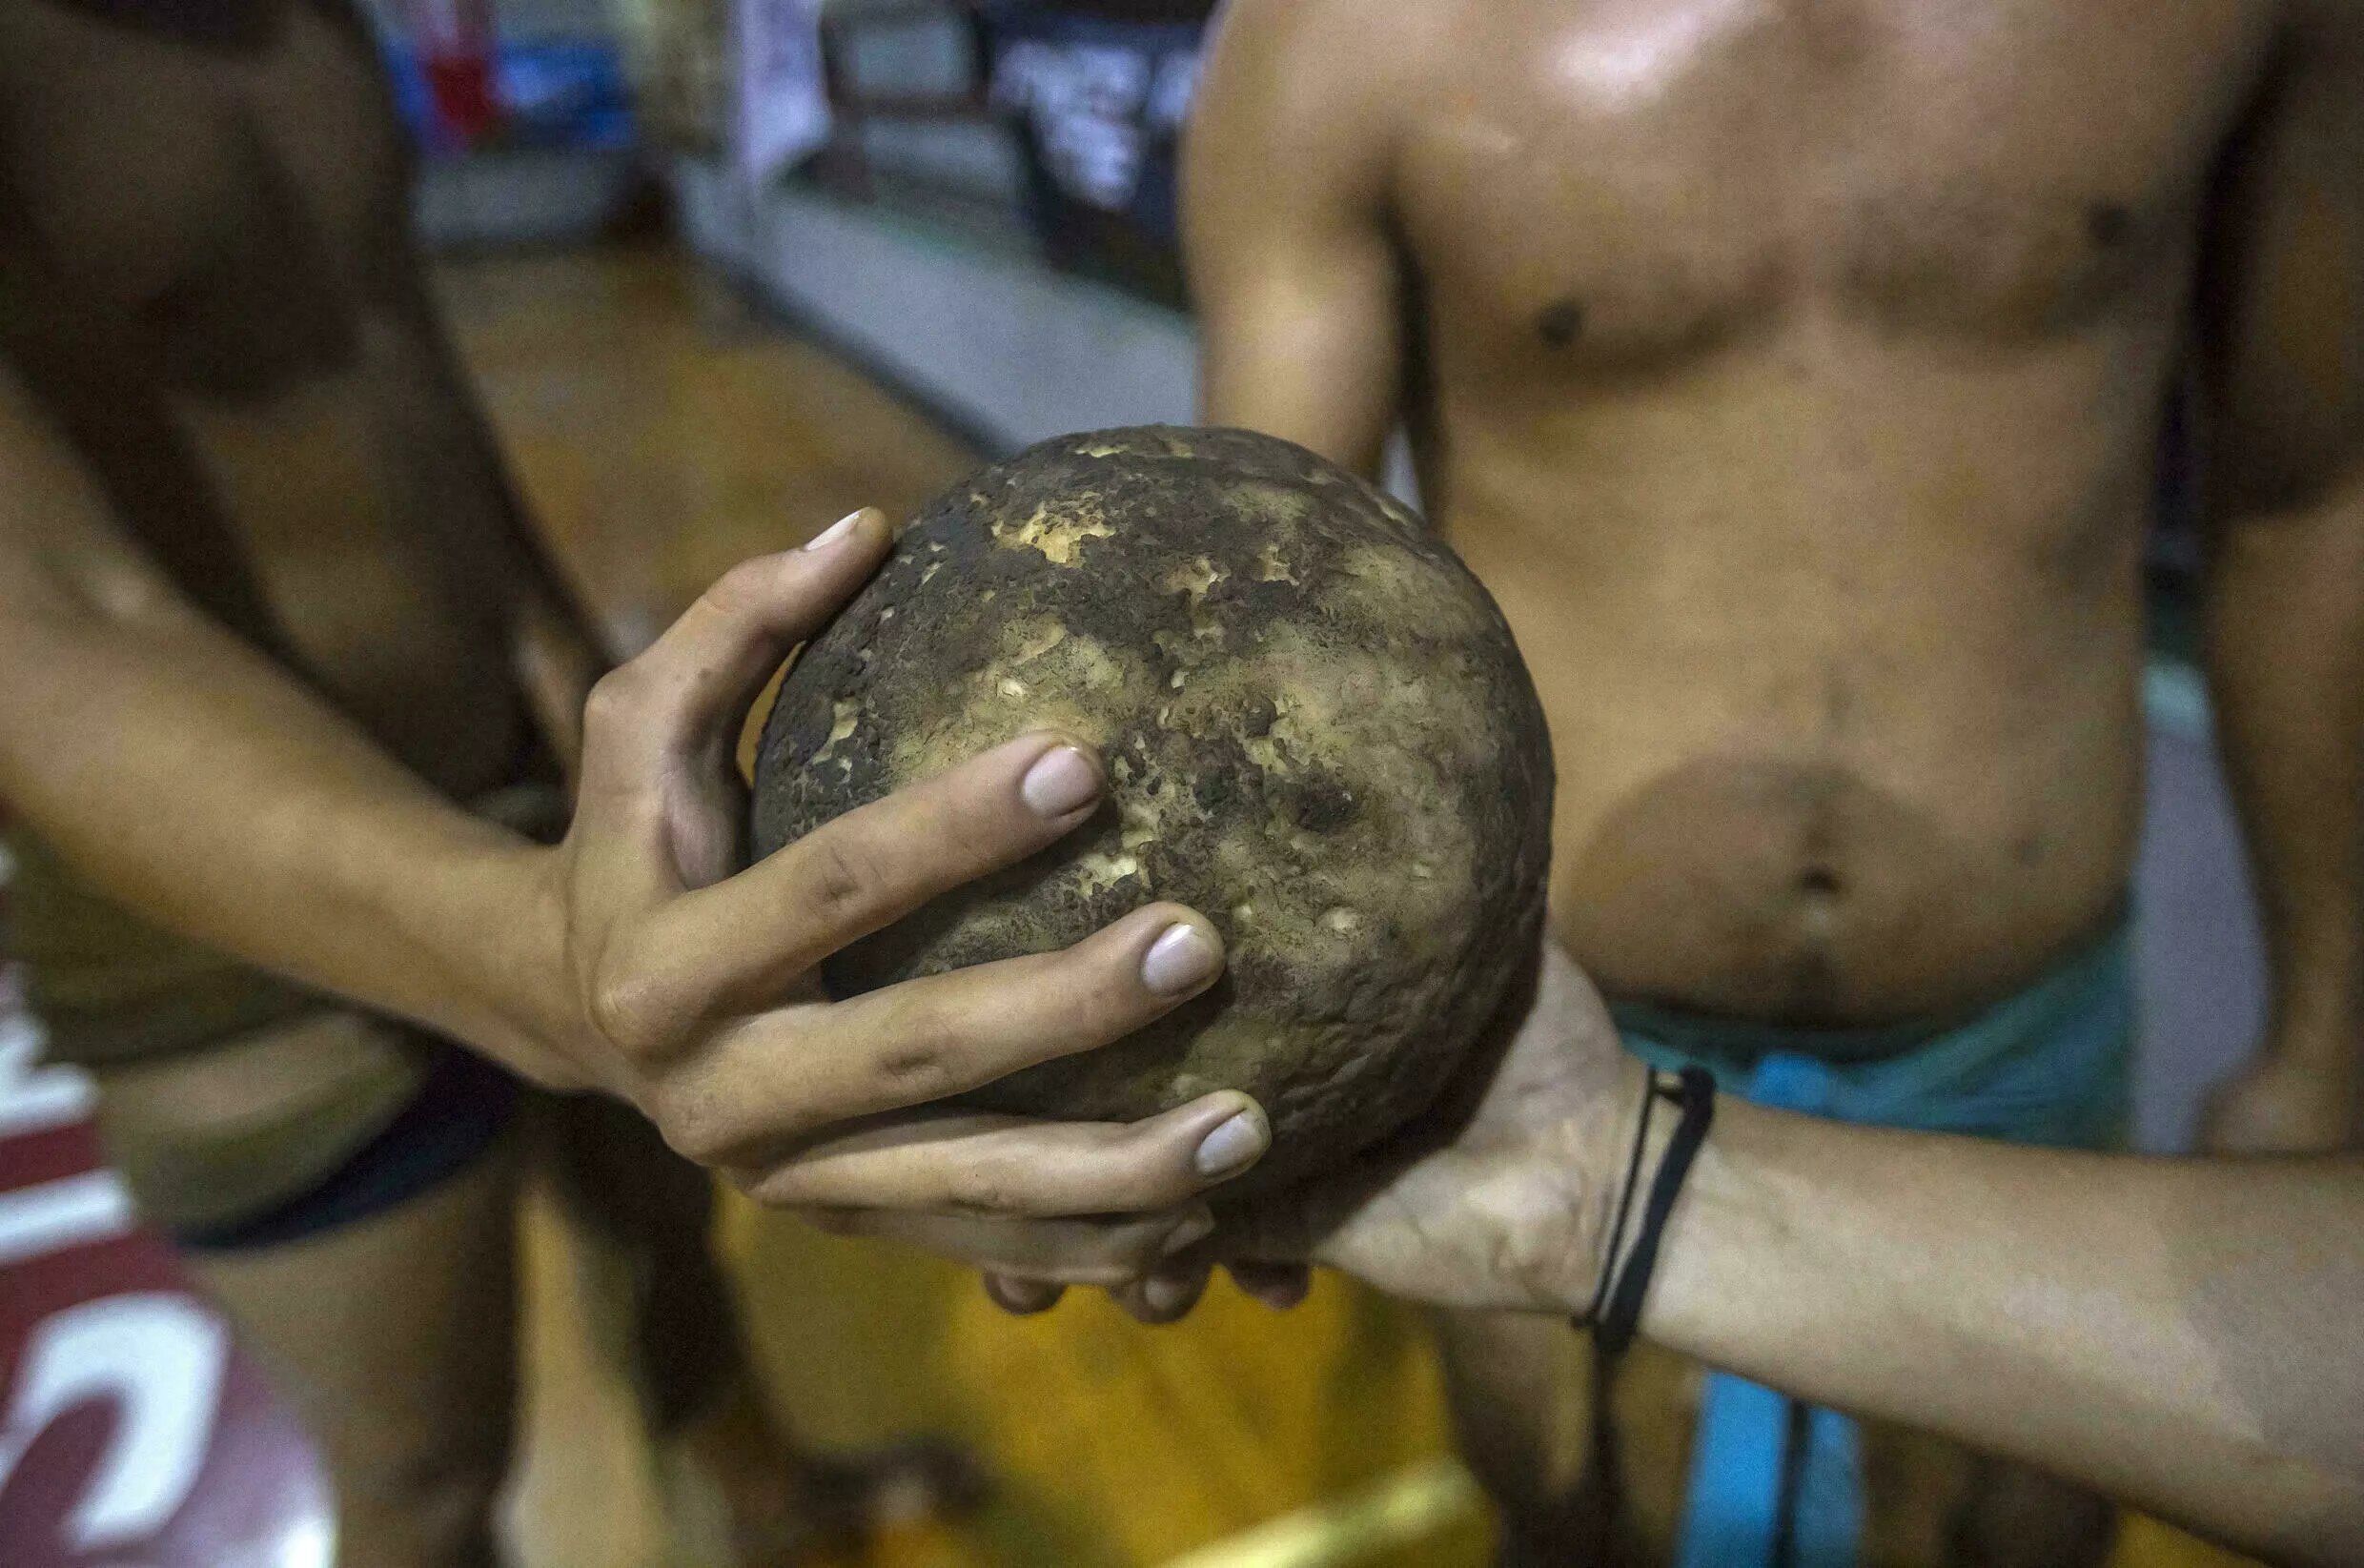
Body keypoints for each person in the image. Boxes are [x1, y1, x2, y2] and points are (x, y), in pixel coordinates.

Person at [0, 2, 1270, 1563]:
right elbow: (50, 617)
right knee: (425, 1484)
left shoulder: (301, 17)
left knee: (672, 1260)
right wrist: (541, 954)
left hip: (529, 791)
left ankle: (772, 1510)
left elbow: (401, 384)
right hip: (240, 946)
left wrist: (571, 695)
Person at [1149, 0, 2362, 1561]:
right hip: (1546, 1054)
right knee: (1582, 1528)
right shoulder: (1348, 35)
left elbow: (2313, 493)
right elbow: (1258, 614)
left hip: (2024, 1058)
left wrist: (2325, 1036)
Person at [1218, 941, 2364, 1568]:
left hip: (2001, 1034)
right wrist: (1605, 1188)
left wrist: (2314, 1038)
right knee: (1571, 1515)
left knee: (2030, 1534)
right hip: (1588, 1061)